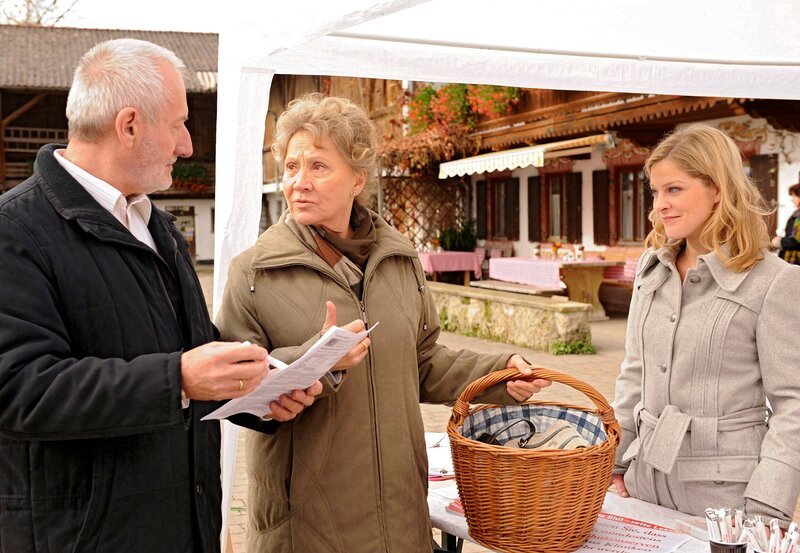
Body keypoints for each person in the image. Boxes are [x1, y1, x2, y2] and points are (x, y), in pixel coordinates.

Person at [0, 39, 323, 553]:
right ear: (129, 126)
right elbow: (18, 390)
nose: (188, 145)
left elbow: (191, 353)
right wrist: (178, 379)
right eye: (179, 123)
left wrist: (261, 390)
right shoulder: (14, 231)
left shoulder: (159, 227)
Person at [215, 93, 551, 553]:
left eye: (318, 166)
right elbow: (232, 388)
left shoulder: (400, 259)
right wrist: (315, 359)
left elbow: (424, 361)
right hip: (306, 528)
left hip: (399, 516)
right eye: (291, 167)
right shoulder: (253, 272)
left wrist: (500, 372)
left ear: (358, 178)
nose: (299, 182)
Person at [611, 125, 800, 527]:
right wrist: (613, 462)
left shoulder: (774, 282)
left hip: (727, 500)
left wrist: (766, 509)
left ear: (718, 189)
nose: (660, 204)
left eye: (674, 189)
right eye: (656, 191)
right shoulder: (652, 270)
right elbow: (633, 375)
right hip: (645, 480)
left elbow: (794, 407)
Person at [772, 182, 800, 264]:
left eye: (794, 196)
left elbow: (798, 241)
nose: (792, 199)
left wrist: (780, 242)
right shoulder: (796, 214)